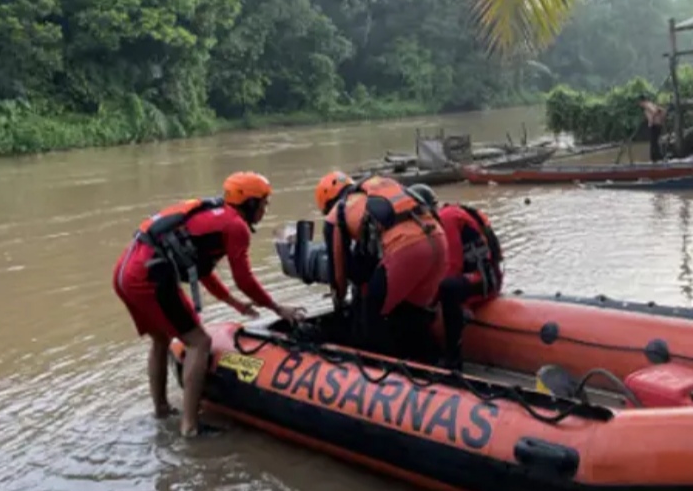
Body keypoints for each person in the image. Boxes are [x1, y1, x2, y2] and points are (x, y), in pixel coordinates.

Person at [112, 171, 306, 438]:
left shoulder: (214, 216)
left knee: (161, 339)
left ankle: (161, 410)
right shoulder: (235, 227)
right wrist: (277, 307)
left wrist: (235, 304)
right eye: (263, 203)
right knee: (199, 342)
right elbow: (245, 280)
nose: (265, 209)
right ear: (249, 204)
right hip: (149, 275)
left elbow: (202, 271)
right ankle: (190, 427)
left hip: (126, 270)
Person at [315, 171, 448, 362]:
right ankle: (437, 363)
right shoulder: (377, 192)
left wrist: (341, 303)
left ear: (328, 204)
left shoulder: (336, 214)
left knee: (371, 315)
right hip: (438, 241)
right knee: (414, 312)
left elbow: (339, 272)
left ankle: (379, 371)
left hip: (407, 249)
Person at [409, 184, 503, 371]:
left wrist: (430, 301)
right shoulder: (450, 214)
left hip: (484, 281)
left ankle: (453, 359)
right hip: (485, 276)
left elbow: (452, 265)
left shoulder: (448, 219)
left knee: (447, 288)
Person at [638, 95, 667, 163]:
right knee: (654, 141)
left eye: (639, 103)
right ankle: (656, 158)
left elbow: (654, 111)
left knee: (654, 142)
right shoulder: (651, 104)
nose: (640, 105)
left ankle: (655, 158)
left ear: (641, 101)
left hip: (655, 125)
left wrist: (651, 120)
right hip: (657, 124)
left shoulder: (647, 104)